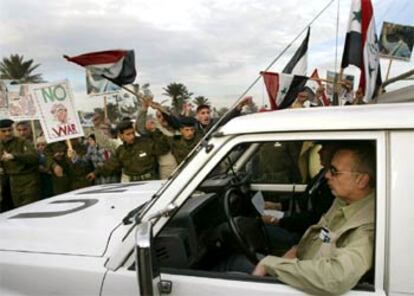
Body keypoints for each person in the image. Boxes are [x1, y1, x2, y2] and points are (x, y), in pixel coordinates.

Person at [252, 142, 376, 295]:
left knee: (229, 266)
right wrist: (296, 250)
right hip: (302, 266)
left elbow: (336, 277)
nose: (327, 175)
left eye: (334, 171)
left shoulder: (368, 227)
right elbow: (321, 234)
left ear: (361, 180)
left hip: (310, 284)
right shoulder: (343, 201)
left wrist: (272, 265)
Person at [262, 142, 337, 251]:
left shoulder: (331, 187)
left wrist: (277, 220)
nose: (319, 152)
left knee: (255, 230)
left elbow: (313, 221)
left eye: (324, 148)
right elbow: (305, 198)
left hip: (306, 234)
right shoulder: (322, 174)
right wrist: (278, 206)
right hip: (300, 224)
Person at [86, 120, 170, 183]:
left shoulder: (146, 143)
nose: (132, 136)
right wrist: (95, 173)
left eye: (133, 133)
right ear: (120, 135)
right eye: (128, 134)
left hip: (150, 182)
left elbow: (163, 149)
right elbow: (109, 166)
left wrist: (155, 132)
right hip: (133, 185)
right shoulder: (121, 151)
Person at [0, 119, 40, 210]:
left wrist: (14, 156)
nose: (7, 133)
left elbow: (34, 158)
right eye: (4, 131)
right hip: (13, 181)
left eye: (10, 130)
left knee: (30, 208)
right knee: (19, 209)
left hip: (29, 180)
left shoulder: (22, 142)